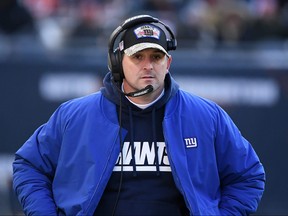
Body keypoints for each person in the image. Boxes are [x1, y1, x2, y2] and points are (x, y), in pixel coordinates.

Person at [13, 14, 265, 216]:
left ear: (168, 63)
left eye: (156, 57)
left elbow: (248, 176)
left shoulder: (207, 116)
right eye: (138, 56)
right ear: (118, 61)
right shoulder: (75, 115)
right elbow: (29, 166)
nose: (148, 65)